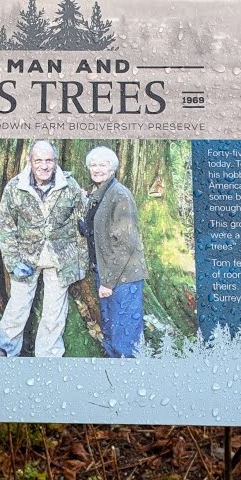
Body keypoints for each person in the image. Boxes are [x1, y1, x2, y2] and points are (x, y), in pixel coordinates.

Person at [0, 141, 88, 357]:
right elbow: (6, 229)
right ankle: (2, 353)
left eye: (49, 161)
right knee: (17, 308)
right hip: (26, 259)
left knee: (54, 314)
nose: (44, 166)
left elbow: (81, 224)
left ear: (55, 162)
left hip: (60, 259)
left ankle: (48, 357)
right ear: (30, 161)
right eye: (38, 160)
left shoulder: (70, 186)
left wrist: (79, 262)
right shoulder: (15, 187)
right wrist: (13, 262)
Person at [80, 146, 147, 358]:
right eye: (93, 165)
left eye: (102, 164)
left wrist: (108, 283)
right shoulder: (100, 194)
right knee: (109, 332)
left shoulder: (120, 195)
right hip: (105, 272)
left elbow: (126, 244)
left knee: (125, 337)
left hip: (123, 277)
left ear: (112, 168)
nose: (97, 169)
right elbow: (96, 230)